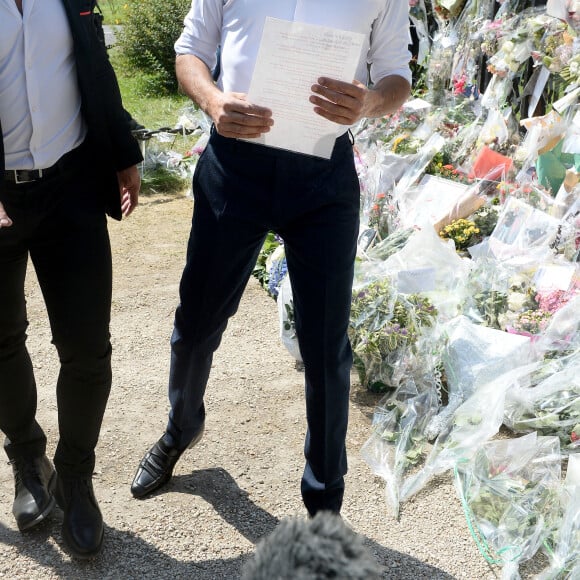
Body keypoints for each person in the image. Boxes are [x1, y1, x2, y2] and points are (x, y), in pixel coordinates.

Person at [131, 1, 411, 516]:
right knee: (196, 322)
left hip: (323, 175)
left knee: (326, 347)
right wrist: (214, 102)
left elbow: (397, 76)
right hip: (236, 164)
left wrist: (369, 102)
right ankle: (181, 425)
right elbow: (190, 51)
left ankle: (325, 501)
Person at [0, 0, 142, 559]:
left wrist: (122, 150)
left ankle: (76, 478)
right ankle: (28, 459)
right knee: (2, 339)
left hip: (71, 185)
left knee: (86, 348)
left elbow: (94, 64)